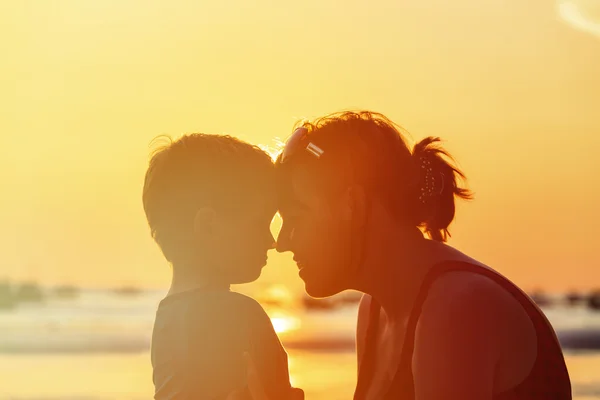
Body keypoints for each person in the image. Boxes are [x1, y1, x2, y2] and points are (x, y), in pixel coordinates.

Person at [269, 111, 571, 399]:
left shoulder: (457, 308)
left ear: (353, 205)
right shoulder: (375, 309)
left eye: (296, 218)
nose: (282, 242)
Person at [142, 133, 301, 400]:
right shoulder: (240, 316)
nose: (271, 241)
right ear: (209, 226)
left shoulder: (167, 319)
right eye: (261, 223)